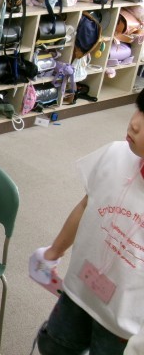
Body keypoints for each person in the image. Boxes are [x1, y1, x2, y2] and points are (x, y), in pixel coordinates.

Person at [31, 89, 144, 354]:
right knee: (55, 345)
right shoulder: (115, 155)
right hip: (79, 289)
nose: (134, 123)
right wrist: (54, 251)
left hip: (123, 323)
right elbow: (86, 204)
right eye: (140, 109)